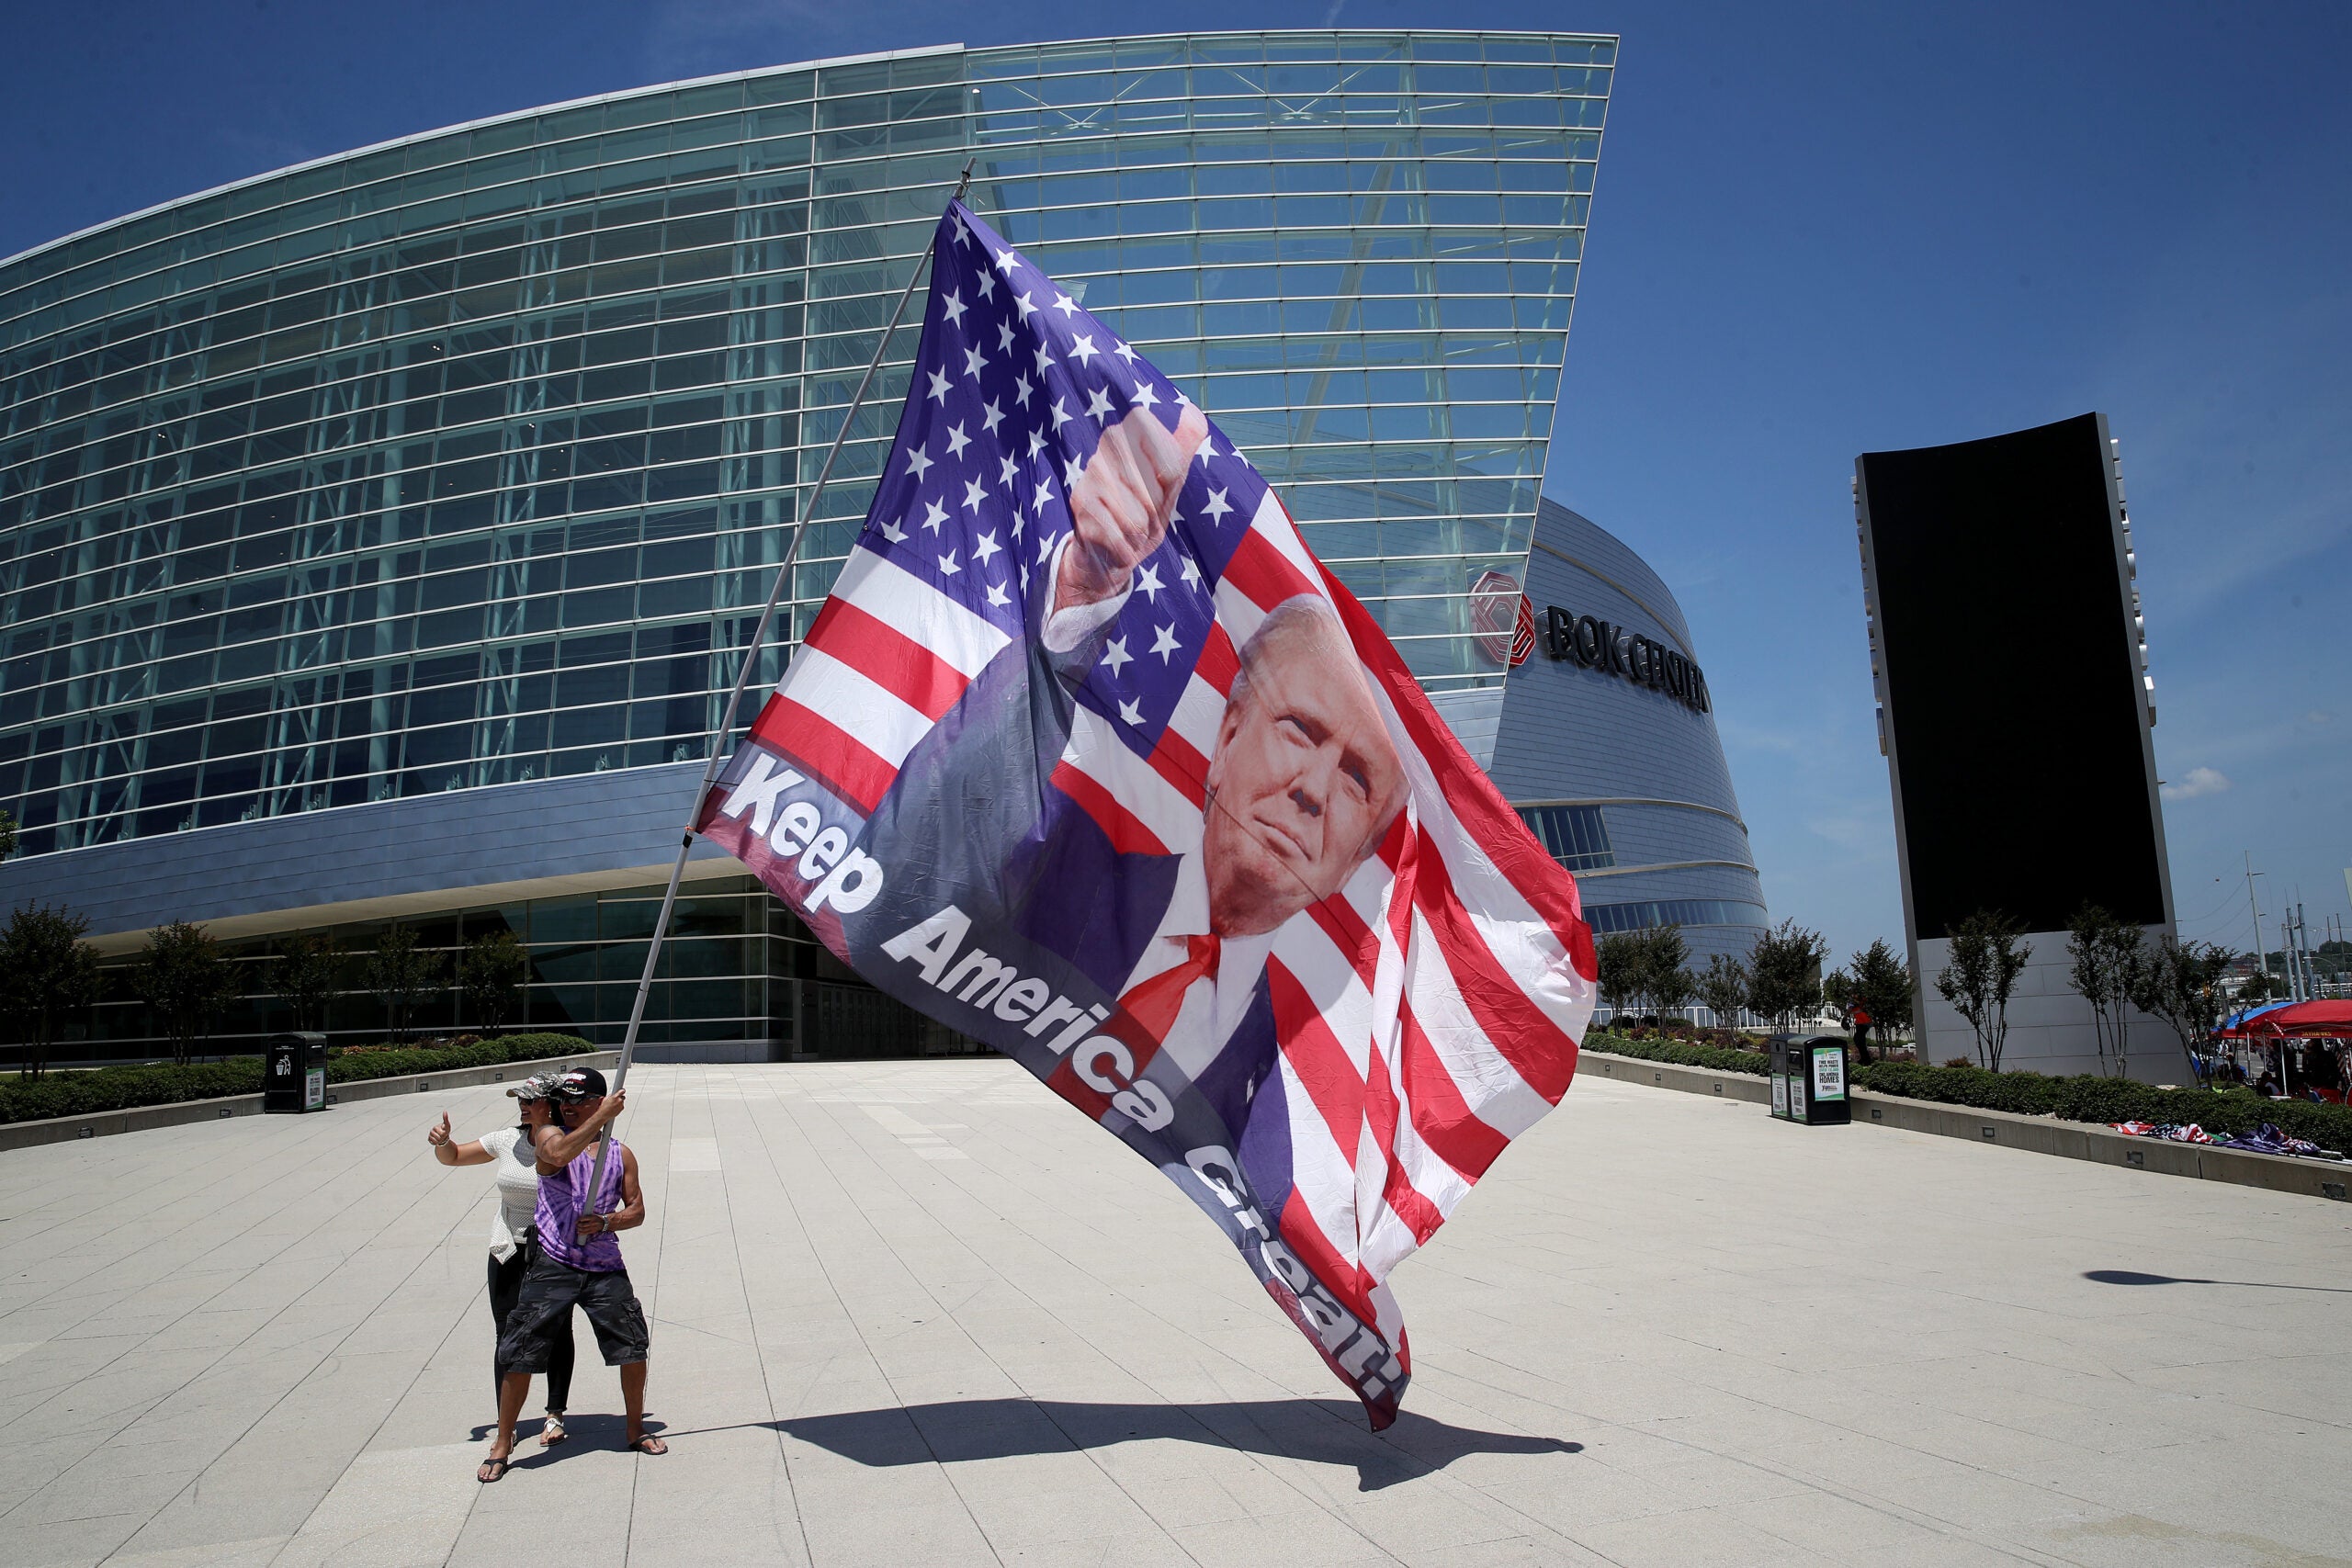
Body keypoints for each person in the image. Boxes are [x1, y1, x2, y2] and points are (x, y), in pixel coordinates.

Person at [479, 1067, 662, 1483]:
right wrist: (599, 1118)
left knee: (632, 1345)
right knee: (520, 1349)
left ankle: (635, 1428)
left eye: (578, 1100)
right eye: (564, 1100)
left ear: (599, 1101)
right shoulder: (547, 1135)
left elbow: (637, 1211)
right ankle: (503, 1441)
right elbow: (557, 1156)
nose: (567, 1107)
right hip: (553, 1262)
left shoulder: (621, 1154)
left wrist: (608, 1222)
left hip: (603, 1266)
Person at [424, 1071, 574, 1447]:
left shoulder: (568, 1145)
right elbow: (455, 1156)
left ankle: (554, 1414)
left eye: (531, 1099)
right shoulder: (507, 1139)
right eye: (519, 1100)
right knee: (506, 1335)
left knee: (556, 1332)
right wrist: (442, 1143)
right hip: (509, 1248)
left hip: (554, 1251)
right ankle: (505, 1424)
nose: (523, 1105)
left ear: (553, 1104)